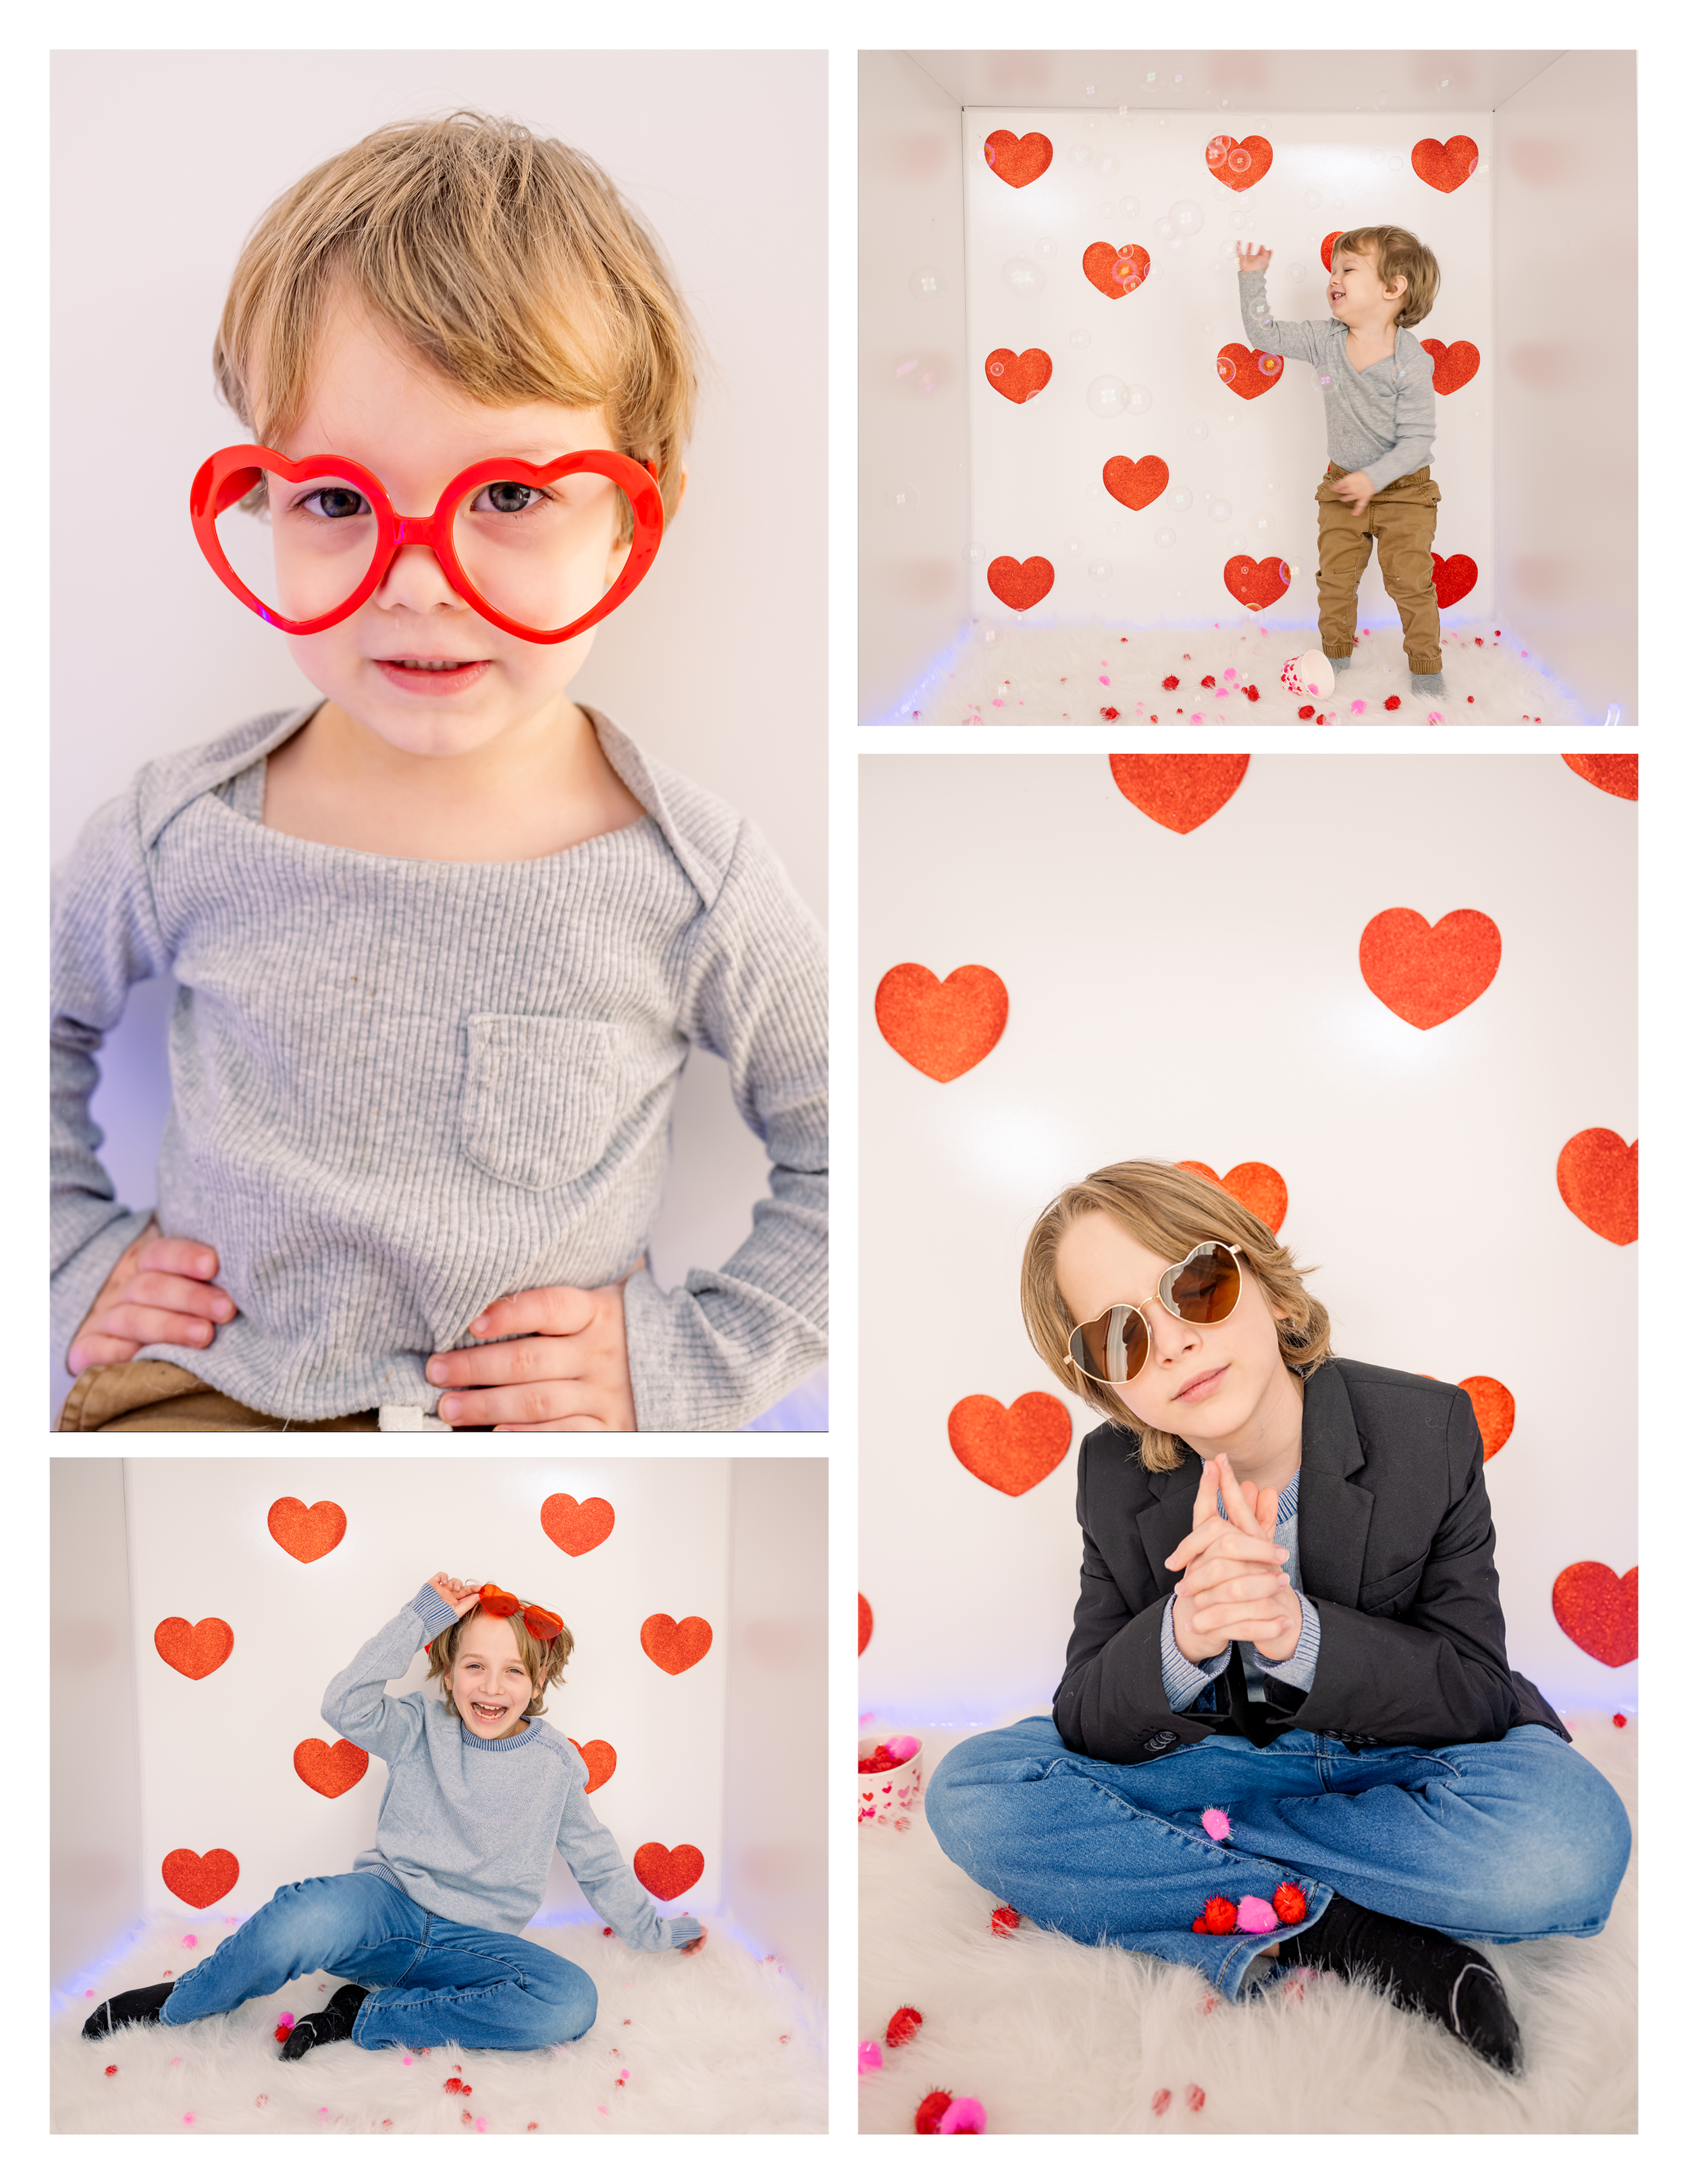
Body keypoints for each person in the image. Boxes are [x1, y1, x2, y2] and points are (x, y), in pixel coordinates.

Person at [52, 111, 826, 1434]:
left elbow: (845, 1151)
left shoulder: (693, 885)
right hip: (207, 1400)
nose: (416, 583)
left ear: (638, 519)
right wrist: (70, 1257)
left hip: (531, 1450)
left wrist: (683, 1362)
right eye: (337, 501)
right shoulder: (176, 833)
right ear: (264, 503)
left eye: (510, 497)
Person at [925, 1161, 1630, 2075]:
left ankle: (1201, 1866)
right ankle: (1341, 1931)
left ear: (1269, 1286)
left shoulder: (1428, 1428)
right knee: (973, 1787)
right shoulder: (1111, 1473)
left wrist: (1300, 1637)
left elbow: (1472, 1692)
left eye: (1197, 1286)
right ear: (1103, 1383)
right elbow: (1086, 1716)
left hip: (1406, 1764)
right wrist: (1181, 1637)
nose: (1173, 1343)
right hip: (1220, 1757)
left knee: (1572, 1842)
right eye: (1121, 1335)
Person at [84, 1573, 705, 2055]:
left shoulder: (557, 1763)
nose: (492, 1686)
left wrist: (654, 1931)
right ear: (448, 1673)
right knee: (306, 1912)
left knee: (571, 2002)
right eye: (475, 1666)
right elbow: (343, 1704)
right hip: (386, 1911)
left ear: (539, 1682)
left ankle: (366, 2015)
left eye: (513, 1670)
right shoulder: (418, 1724)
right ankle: (183, 2001)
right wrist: (421, 1617)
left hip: (473, 1948)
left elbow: (597, 1862)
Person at [1236, 225, 1448, 699]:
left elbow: (1417, 441)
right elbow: (1264, 334)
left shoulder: (1412, 361)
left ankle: (1427, 669)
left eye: (1348, 269)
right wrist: (1252, 277)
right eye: (1332, 270)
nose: (1333, 278)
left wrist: (1374, 479)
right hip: (1342, 486)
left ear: (1393, 288)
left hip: (1406, 493)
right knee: (1335, 581)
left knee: (1411, 584)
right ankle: (1332, 659)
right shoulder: (1325, 340)